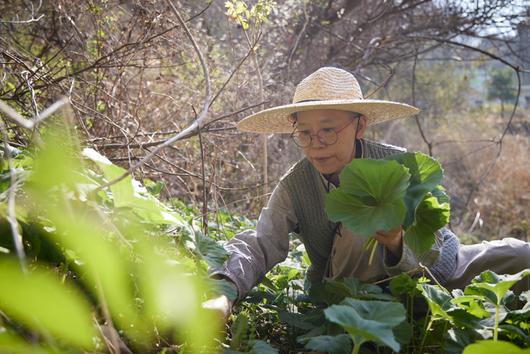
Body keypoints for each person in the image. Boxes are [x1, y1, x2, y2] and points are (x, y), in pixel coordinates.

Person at [203, 66, 530, 319]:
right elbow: (260, 243)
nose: (316, 145)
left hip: (430, 274)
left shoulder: (399, 165)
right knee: (359, 219)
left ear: (360, 126)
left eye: (328, 130)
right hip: (353, 296)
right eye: (305, 133)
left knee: (519, 255)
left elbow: (435, 244)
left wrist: (398, 244)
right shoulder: (296, 185)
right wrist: (222, 290)